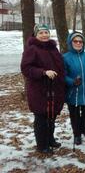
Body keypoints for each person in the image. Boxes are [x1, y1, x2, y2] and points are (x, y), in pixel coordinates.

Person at [21, 24, 65, 154]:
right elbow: (26, 68)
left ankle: (50, 139)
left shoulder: (53, 49)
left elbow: (60, 67)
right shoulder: (32, 49)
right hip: (39, 91)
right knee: (41, 118)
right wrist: (43, 72)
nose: (44, 35)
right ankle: (42, 144)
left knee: (52, 116)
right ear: (36, 35)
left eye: (46, 32)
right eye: (41, 33)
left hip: (54, 89)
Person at [63, 31, 85, 145]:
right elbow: (63, 75)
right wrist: (72, 82)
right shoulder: (65, 57)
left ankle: (83, 128)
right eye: (75, 41)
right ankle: (77, 134)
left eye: (81, 41)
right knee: (74, 115)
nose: (78, 43)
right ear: (71, 42)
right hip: (73, 91)